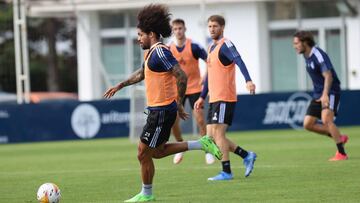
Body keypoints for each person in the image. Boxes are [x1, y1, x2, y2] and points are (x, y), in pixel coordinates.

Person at [103, 4, 222, 202]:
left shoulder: (160, 52)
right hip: (157, 111)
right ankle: (202, 143)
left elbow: (181, 76)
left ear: (151, 33)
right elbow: (142, 74)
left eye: (140, 34)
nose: (138, 38)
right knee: (156, 152)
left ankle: (146, 195)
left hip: (161, 111)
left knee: (143, 153)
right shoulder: (150, 52)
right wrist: (120, 85)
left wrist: (179, 104)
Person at [194, 15, 257, 181]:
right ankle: (246, 155)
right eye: (210, 26)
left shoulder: (226, 45)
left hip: (225, 97)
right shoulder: (210, 48)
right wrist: (201, 96)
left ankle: (227, 172)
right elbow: (209, 76)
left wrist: (248, 80)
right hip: (213, 98)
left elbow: (239, 60)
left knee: (219, 134)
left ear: (222, 27)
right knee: (211, 138)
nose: (212, 29)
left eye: (215, 26)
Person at [293, 30, 348, 161]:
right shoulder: (306, 56)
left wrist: (325, 95)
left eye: (296, 43)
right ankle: (339, 137)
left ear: (305, 42)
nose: (294, 46)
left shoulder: (318, 54)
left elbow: (328, 75)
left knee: (326, 120)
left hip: (331, 91)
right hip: (318, 93)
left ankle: (342, 153)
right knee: (308, 124)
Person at [169, 18, 215, 165]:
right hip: (177, 90)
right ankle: (180, 146)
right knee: (172, 121)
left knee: (200, 118)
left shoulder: (194, 46)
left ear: (185, 29)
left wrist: (205, 75)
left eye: (180, 28)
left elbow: (210, 60)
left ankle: (207, 149)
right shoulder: (169, 48)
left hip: (195, 87)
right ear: (172, 31)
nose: (178, 31)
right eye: (175, 29)